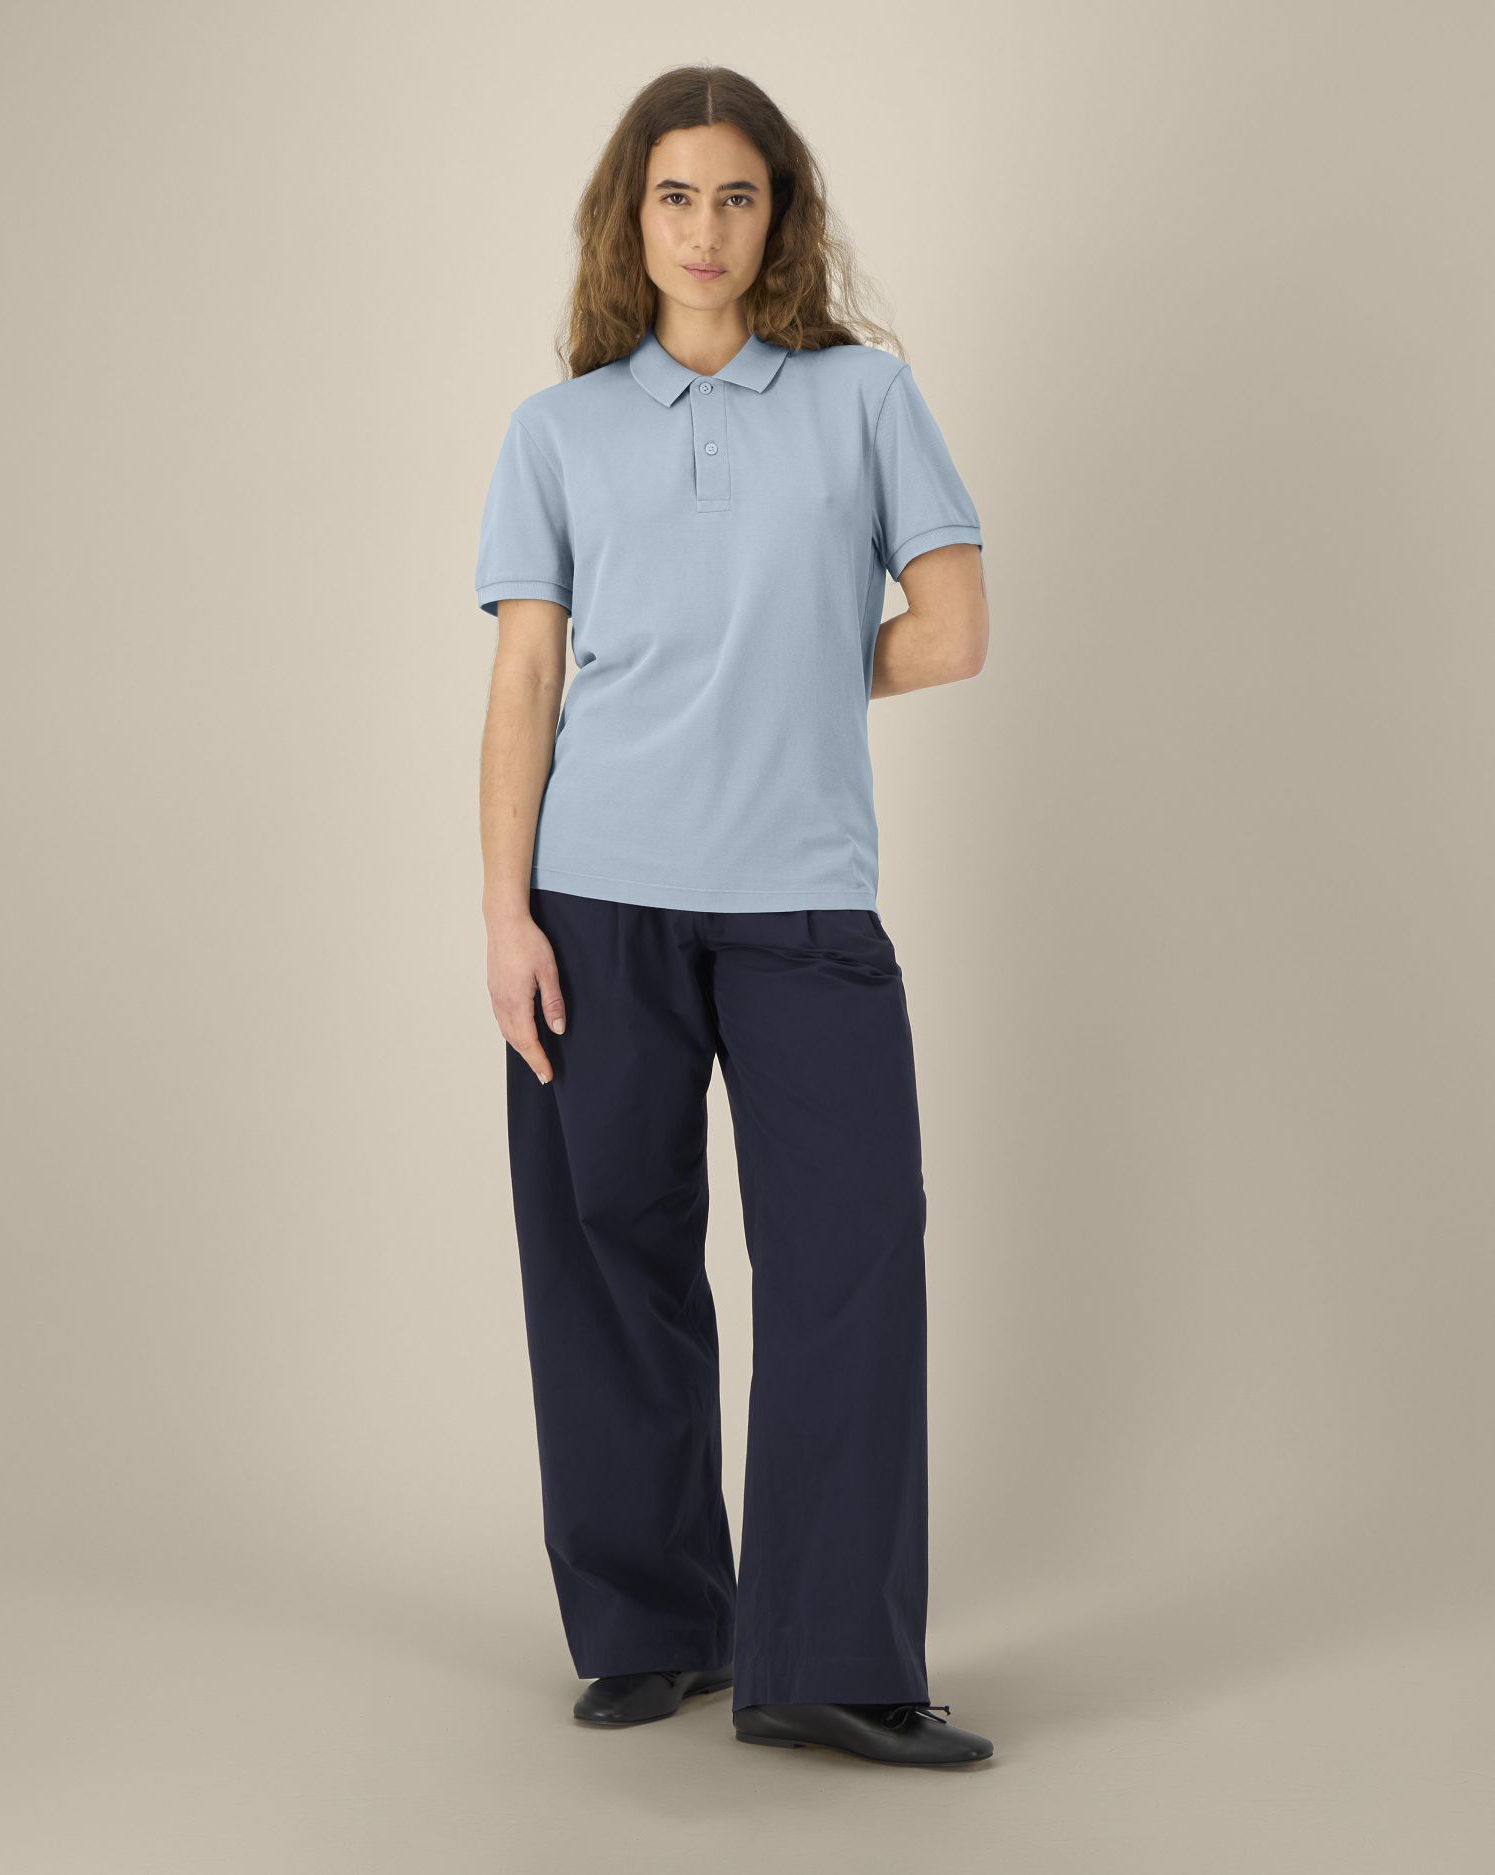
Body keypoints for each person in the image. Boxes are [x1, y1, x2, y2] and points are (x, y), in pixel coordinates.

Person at [473, 65, 994, 1770]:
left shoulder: (864, 399)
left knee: (852, 1262)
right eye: (675, 197)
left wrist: (786, 680)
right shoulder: (558, 432)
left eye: (738, 196)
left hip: (800, 901)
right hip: (595, 895)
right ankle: (653, 1628)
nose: (705, 230)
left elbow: (954, 626)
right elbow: (526, 680)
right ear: (632, 219)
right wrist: (504, 914)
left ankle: (828, 1661)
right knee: (609, 1256)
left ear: (783, 216)